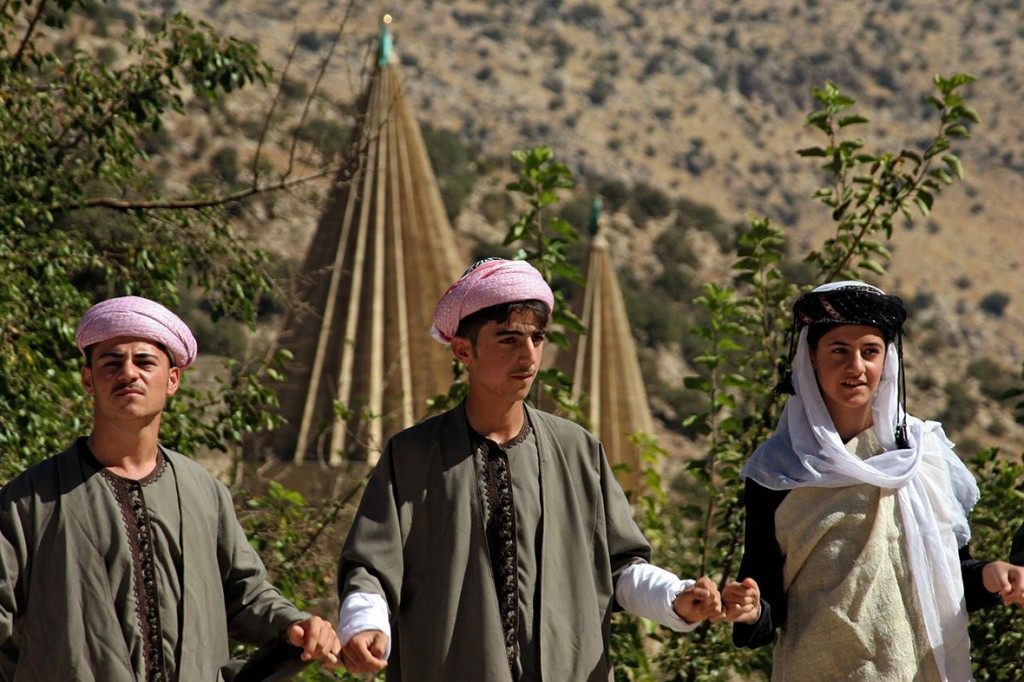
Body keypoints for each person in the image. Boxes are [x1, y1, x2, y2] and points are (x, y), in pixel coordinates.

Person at [335, 258, 721, 681]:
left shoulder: (577, 451)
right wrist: (365, 624)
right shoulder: (412, 457)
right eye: (508, 340)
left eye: (537, 339)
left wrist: (677, 596)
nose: (528, 356)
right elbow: (370, 567)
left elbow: (619, 566)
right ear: (464, 350)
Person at [0, 296, 342, 681]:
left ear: (173, 379)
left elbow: (245, 595)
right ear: (88, 380)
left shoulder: (204, 493)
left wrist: (292, 624)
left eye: (145, 362)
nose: (129, 373)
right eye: (111, 363)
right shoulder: (27, 502)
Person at [721, 281, 1024, 680]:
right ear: (811, 357)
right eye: (838, 351)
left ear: (887, 361)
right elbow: (764, 595)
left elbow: (952, 579)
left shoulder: (922, 457)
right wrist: (750, 608)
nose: (856, 367)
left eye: (870, 352)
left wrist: (993, 574)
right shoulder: (778, 471)